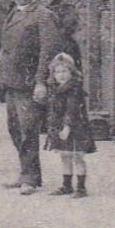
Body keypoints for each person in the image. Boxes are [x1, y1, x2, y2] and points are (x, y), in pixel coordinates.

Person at [0, 0, 63, 195]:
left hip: (29, 82)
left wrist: (41, 83)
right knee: (15, 129)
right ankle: (26, 172)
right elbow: (9, 44)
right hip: (12, 82)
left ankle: (31, 178)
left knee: (28, 130)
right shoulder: (14, 13)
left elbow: (48, 51)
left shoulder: (43, 16)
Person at [43, 51, 96, 196]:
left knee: (77, 156)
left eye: (65, 71)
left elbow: (72, 109)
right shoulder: (55, 89)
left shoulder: (74, 89)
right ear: (53, 74)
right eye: (57, 72)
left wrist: (67, 127)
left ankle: (81, 187)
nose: (61, 75)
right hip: (61, 126)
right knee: (64, 156)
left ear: (71, 72)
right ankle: (66, 185)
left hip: (76, 127)